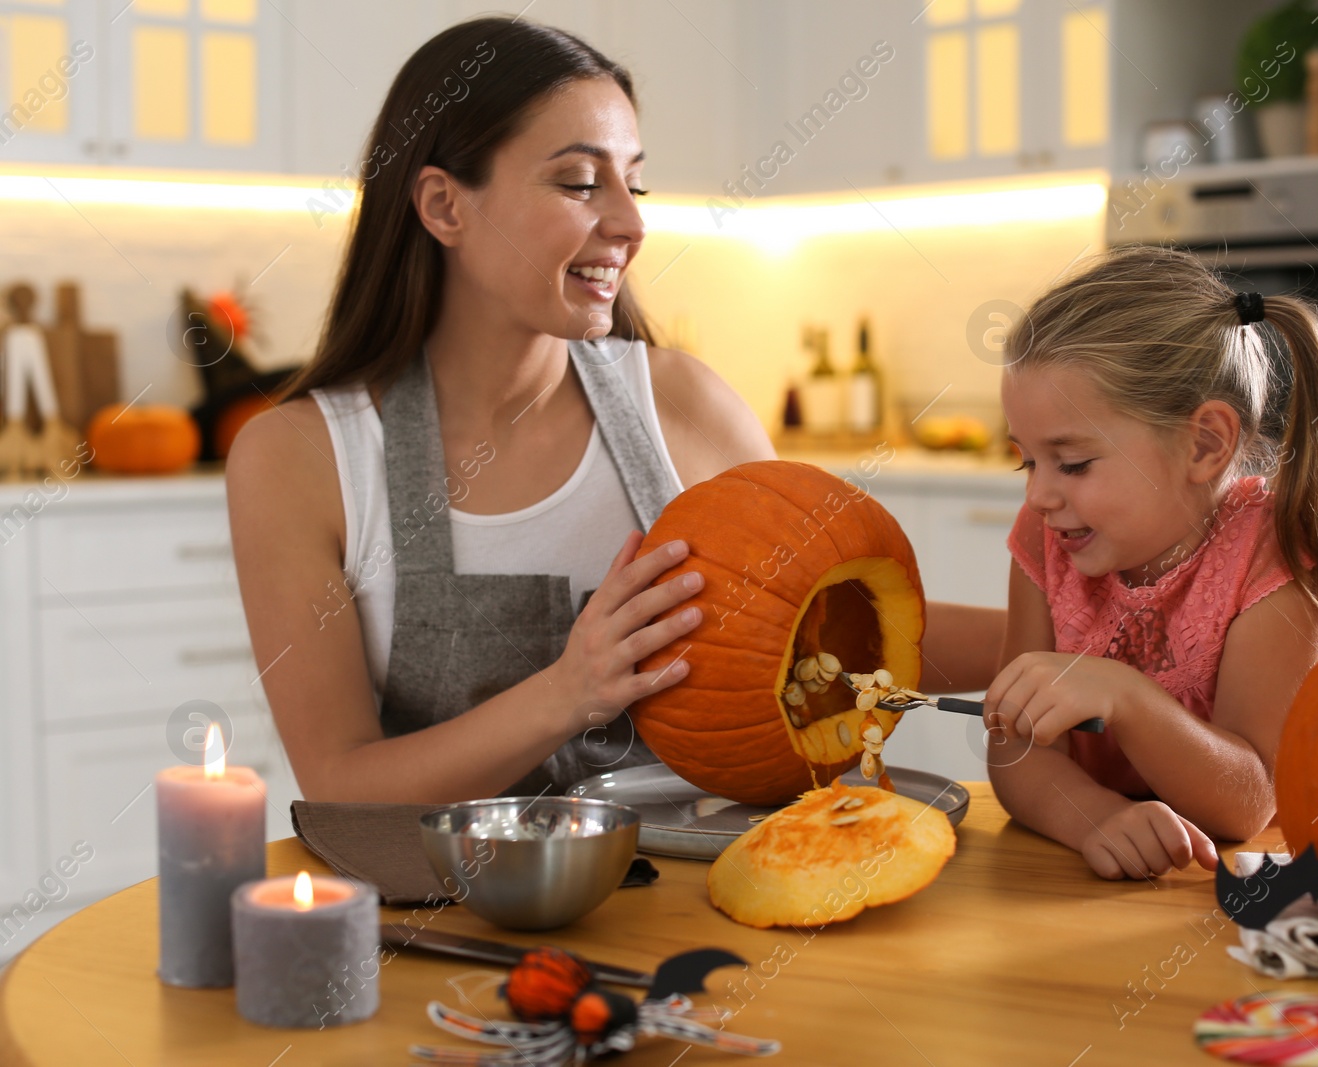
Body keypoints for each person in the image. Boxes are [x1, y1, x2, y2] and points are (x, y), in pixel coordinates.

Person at [227, 16, 1002, 804]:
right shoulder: (299, 459)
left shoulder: (684, 404)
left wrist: (1075, 650)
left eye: (634, 183)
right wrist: (570, 691)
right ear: (444, 206)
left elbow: (832, 635)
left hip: (696, 896)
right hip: (447, 915)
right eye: (578, 182)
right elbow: (338, 783)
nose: (631, 224)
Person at [985, 246, 1318, 880]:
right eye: (1026, 461)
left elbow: (1250, 801)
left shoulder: (1274, 553)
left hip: (1238, 891)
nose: (1038, 494)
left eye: (1073, 463)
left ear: (1204, 444)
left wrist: (1125, 696)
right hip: (1083, 889)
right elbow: (1014, 746)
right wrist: (1093, 818)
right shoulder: (1047, 534)